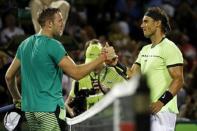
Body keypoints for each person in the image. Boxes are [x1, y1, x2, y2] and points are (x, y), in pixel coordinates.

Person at [5, 8, 116, 131]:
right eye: (60, 20)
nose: (63, 24)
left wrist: (17, 98)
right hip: (50, 112)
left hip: (30, 113)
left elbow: (9, 77)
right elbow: (77, 73)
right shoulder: (53, 45)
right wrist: (103, 57)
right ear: (49, 23)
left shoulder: (24, 44)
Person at [127, 7, 184, 131]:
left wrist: (160, 102)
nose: (142, 25)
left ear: (158, 23)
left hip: (163, 112)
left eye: (146, 21)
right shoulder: (145, 50)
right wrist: (116, 63)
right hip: (145, 110)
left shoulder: (170, 47)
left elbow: (178, 79)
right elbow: (132, 76)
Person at [66, 39, 126, 117]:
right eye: (89, 61)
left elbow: (127, 96)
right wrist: (75, 115)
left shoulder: (113, 73)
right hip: (88, 124)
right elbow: (67, 104)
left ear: (101, 59)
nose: (92, 64)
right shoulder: (80, 78)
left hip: (109, 121)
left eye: (94, 61)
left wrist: (108, 91)